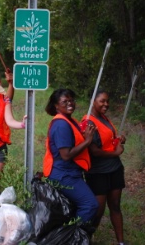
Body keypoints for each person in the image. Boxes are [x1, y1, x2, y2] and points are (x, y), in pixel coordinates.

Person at [42, 88, 99, 226]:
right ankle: (72, 235)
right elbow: (66, 155)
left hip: (70, 172)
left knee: (73, 207)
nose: (70, 103)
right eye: (65, 101)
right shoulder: (61, 124)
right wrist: (87, 141)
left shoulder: (69, 120)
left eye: (71, 100)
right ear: (56, 105)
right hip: (64, 175)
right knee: (90, 205)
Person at [82, 89, 126, 245]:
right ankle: (86, 240)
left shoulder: (104, 119)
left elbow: (108, 142)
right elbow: (94, 151)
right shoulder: (88, 122)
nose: (106, 104)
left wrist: (118, 140)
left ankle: (121, 242)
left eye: (107, 101)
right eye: (102, 101)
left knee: (115, 206)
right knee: (97, 211)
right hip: (97, 172)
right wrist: (115, 154)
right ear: (93, 102)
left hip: (114, 169)